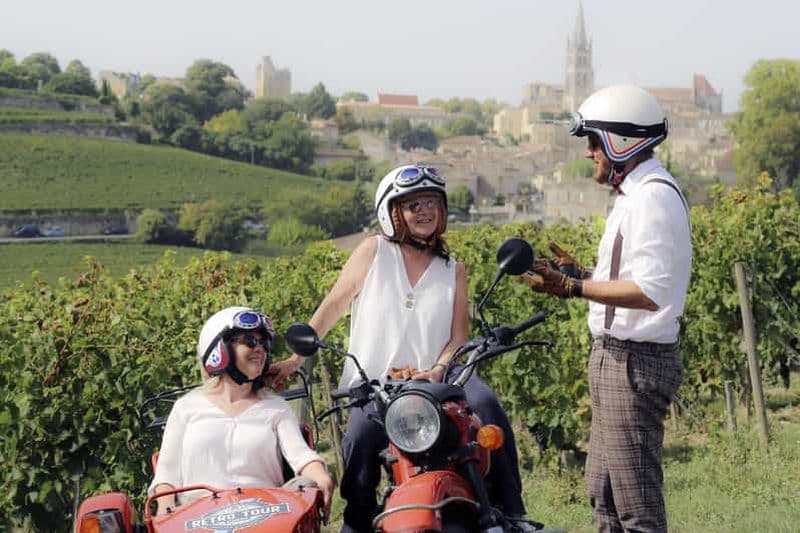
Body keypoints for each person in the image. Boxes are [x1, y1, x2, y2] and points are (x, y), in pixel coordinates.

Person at [271, 165, 534, 532]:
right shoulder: (374, 252)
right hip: (374, 381)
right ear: (393, 213)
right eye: (413, 205)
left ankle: (510, 509)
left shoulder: (453, 268)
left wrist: (439, 369)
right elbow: (335, 304)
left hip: (439, 380)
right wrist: (296, 357)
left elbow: (459, 336)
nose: (424, 211)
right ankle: (357, 522)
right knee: (361, 437)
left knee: (486, 404)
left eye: (431, 203)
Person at [524, 85, 692, 532]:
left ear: (622, 141)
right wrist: (579, 271)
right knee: (605, 492)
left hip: (634, 362)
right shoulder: (633, 194)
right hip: (616, 357)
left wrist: (574, 286)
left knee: (636, 508)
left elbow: (652, 289)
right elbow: (636, 275)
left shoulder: (652, 196)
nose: (588, 153)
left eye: (594, 141)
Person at [149, 306, 334, 516]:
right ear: (219, 348)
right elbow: (166, 475)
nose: (260, 349)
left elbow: (301, 457)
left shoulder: (276, 408)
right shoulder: (186, 408)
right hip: (198, 517)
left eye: (264, 343)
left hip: (265, 514)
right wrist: (166, 509)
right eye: (250, 341)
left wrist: (320, 475)